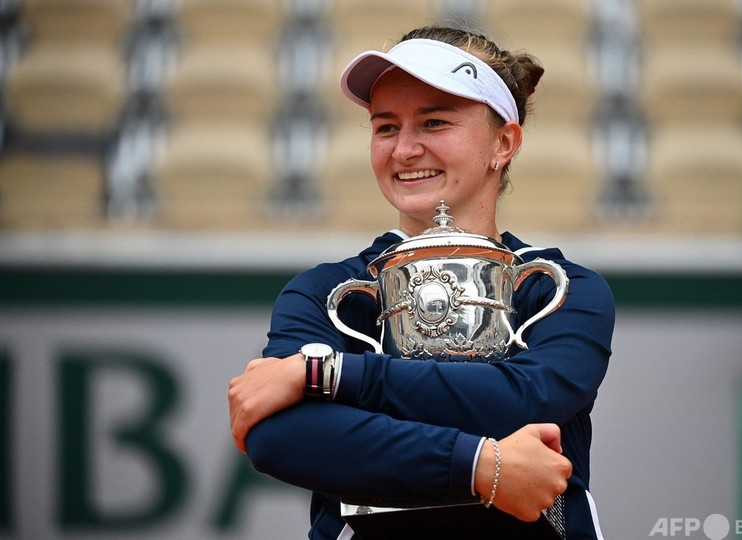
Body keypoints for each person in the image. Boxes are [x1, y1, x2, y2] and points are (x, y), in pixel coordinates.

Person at [229, 25, 615, 540]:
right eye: (385, 127)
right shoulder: (325, 292)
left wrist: (330, 376)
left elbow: (529, 399)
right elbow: (282, 438)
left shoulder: (561, 287)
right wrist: (483, 467)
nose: (405, 149)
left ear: (504, 141)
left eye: (434, 122)